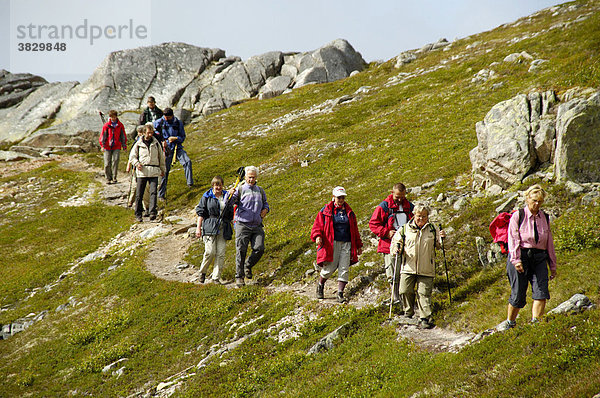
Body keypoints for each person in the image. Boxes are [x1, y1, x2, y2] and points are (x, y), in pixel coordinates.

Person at [497, 184, 557, 331]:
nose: (537, 204)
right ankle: (510, 322)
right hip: (521, 256)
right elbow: (513, 239)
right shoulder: (518, 215)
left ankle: (536, 323)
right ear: (527, 198)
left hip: (539, 258)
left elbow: (549, 242)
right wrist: (516, 260)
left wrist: (553, 265)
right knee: (518, 295)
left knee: (541, 291)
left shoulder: (545, 217)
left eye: (540, 201)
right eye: (534, 200)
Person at [391, 203, 445, 329]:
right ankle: (408, 312)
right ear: (414, 215)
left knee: (424, 293)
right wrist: (396, 249)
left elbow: (440, 246)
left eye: (424, 216)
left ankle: (425, 318)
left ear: (428, 217)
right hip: (408, 267)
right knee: (404, 290)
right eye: (419, 216)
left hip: (426, 267)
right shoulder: (404, 229)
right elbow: (395, 243)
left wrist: (442, 239)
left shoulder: (432, 229)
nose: (421, 219)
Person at [311, 186, 363, 303]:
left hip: (347, 243)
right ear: (333, 197)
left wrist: (358, 245)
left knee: (344, 268)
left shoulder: (349, 212)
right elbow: (317, 225)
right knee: (329, 268)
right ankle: (320, 284)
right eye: (339, 198)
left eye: (343, 198)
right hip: (331, 243)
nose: (341, 200)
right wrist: (317, 236)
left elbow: (354, 229)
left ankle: (340, 293)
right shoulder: (325, 211)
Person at [369, 183, 414, 306]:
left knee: (404, 271)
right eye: (397, 197)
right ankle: (396, 297)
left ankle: (405, 297)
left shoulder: (409, 206)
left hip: (407, 244)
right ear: (392, 193)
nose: (400, 199)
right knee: (392, 272)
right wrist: (386, 233)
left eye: (402, 197)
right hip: (389, 244)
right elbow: (373, 224)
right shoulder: (384, 206)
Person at [229, 166, 269, 288]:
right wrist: (229, 194)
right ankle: (239, 277)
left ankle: (248, 265)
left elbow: (265, 203)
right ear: (245, 177)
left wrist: (266, 209)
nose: (251, 179)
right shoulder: (240, 189)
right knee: (241, 250)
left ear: (256, 177)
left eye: (253, 177)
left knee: (260, 248)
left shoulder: (260, 190)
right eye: (249, 177)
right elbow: (229, 203)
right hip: (242, 224)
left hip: (257, 225)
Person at [195, 176, 234, 284]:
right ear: (212, 185)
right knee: (210, 251)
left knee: (220, 253)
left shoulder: (227, 196)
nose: (218, 187)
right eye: (216, 185)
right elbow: (201, 212)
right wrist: (198, 228)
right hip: (209, 226)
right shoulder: (207, 196)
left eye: (220, 185)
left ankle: (216, 277)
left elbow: (231, 211)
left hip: (223, 227)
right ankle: (202, 271)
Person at [154, 107, 194, 199]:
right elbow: (155, 133)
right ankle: (161, 194)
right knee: (165, 171)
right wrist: (162, 141)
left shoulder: (177, 122)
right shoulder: (159, 122)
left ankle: (190, 184)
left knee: (187, 161)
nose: (166, 118)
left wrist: (175, 138)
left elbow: (182, 137)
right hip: (166, 149)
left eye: (167, 117)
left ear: (172, 115)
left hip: (177, 147)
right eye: (164, 116)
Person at [128, 123, 166, 222]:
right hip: (142, 172)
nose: (150, 134)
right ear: (144, 133)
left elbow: (161, 158)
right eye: (148, 132)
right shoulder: (138, 144)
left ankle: (153, 212)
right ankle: (138, 214)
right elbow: (132, 156)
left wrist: (163, 170)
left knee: (153, 192)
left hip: (154, 171)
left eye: (151, 132)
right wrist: (137, 163)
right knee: (139, 194)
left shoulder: (156, 143)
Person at [126, 125, 150, 212]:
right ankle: (130, 201)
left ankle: (145, 206)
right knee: (134, 186)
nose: (140, 135)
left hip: (144, 168)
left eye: (141, 133)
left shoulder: (147, 142)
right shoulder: (136, 143)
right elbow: (131, 156)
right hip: (135, 168)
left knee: (144, 188)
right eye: (139, 133)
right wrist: (129, 165)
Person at [99, 109, 127, 184]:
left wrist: (124, 146)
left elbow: (123, 136)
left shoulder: (120, 125)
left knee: (115, 160)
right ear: (110, 117)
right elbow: (103, 136)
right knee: (107, 163)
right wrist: (102, 146)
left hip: (117, 146)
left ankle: (114, 177)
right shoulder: (106, 126)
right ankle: (108, 178)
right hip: (107, 147)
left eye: (114, 117)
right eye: (112, 117)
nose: (113, 118)